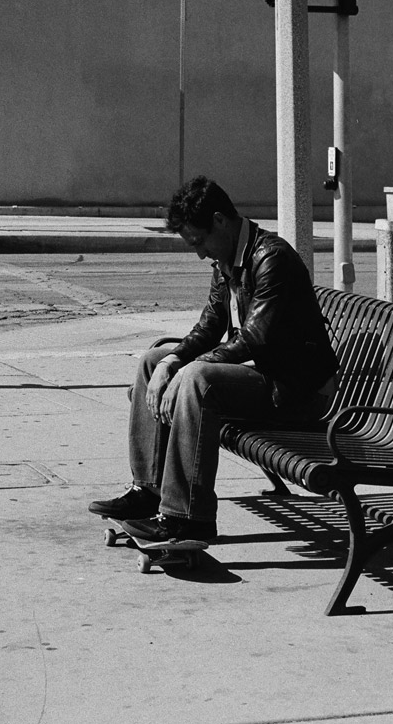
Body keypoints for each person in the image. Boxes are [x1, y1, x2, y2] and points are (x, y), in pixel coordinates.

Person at [87, 175, 338, 544]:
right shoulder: (228, 260)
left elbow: (254, 339)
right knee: (152, 361)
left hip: (298, 392)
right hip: (265, 378)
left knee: (197, 380)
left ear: (220, 221)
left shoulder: (272, 258)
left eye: (199, 241)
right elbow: (208, 327)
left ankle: (188, 517)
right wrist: (170, 363)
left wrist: (186, 369)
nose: (201, 253)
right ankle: (148, 490)